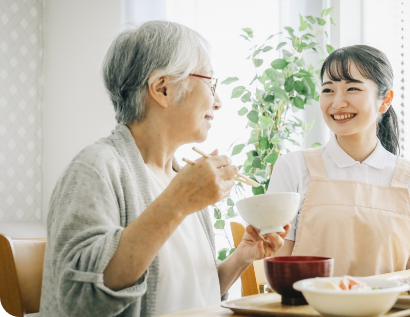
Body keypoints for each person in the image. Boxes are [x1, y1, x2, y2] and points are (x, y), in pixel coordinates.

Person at [40, 21, 289, 317]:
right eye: (211, 84)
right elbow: (81, 301)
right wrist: (178, 201)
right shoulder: (96, 168)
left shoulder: (183, 178)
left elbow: (195, 293)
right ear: (162, 88)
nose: (218, 101)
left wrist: (241, 258)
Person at [268, 45, 410, 277]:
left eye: (352, 88)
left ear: (385, 100)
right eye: (328, 90)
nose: (337, 103)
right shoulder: (293, 168)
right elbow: (280, 268)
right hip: (309, 309)